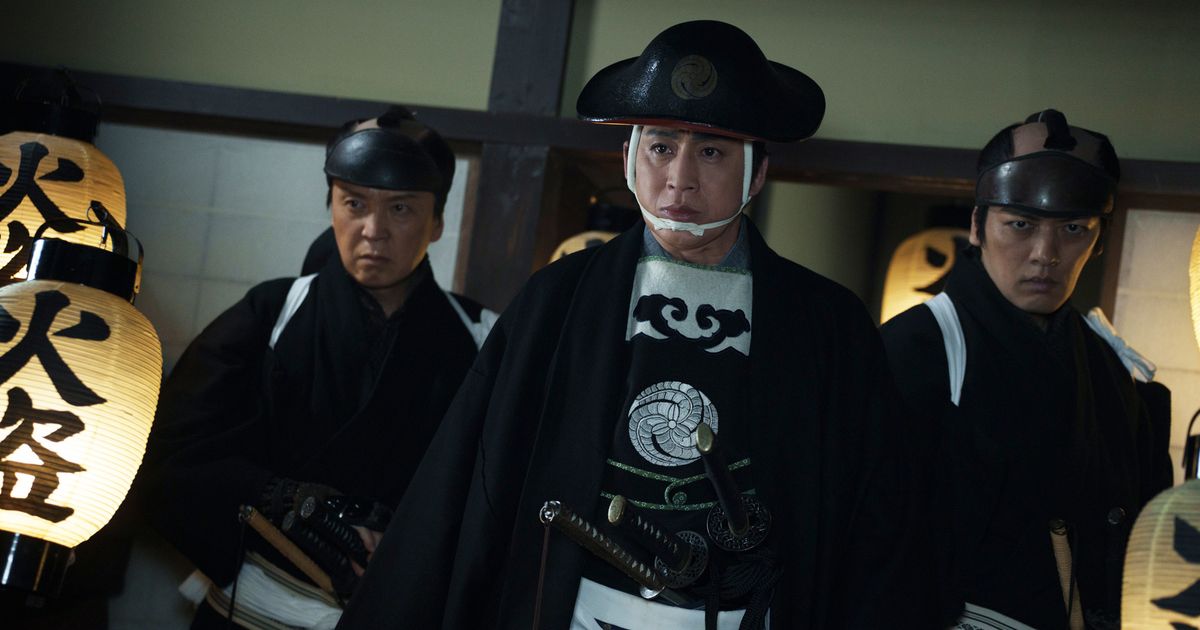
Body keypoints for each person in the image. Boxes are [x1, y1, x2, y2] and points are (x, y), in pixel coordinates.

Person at [339, 21, 941, 630]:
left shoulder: (828, 324)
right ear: (627, 157)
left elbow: (877, 528)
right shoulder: (557, 299)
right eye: (660, 147)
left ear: (757, 172)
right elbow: (464, 488)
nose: (680, 178)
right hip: (575, 608)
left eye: (712, 152)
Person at [138, 111, 495, 628]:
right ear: (331, 207)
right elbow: (171, 454)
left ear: (436, 222)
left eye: (400, 208)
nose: (373, 230)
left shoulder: (480, 337)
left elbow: (495, 494)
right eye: (355, 203)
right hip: (253, 607)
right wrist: (283, 500)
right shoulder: (271, 312)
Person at [881, 109, 1174, 629]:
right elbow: (871, 541)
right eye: (1020, 224)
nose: (1046, 254)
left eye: (1073, 229)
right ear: (978, 226)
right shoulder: (917, 347)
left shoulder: (1110, 367)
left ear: (1099, 238)